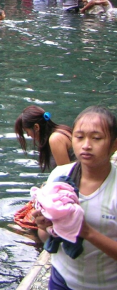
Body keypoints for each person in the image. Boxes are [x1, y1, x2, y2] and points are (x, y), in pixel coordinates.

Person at [32, 106, 117, 290]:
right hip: (62, 279)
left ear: (114, 145)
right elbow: (46, 235)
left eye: (96, 138)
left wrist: (87, 232)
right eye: (79, 137)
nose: (86, 145)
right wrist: (43, 224)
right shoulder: (60, 176)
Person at [15, 106, 74, 173]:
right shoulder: (61, 130)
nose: (28, 135)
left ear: (36, 127)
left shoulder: (56, 139)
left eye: (27, 131)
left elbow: (66, 175)